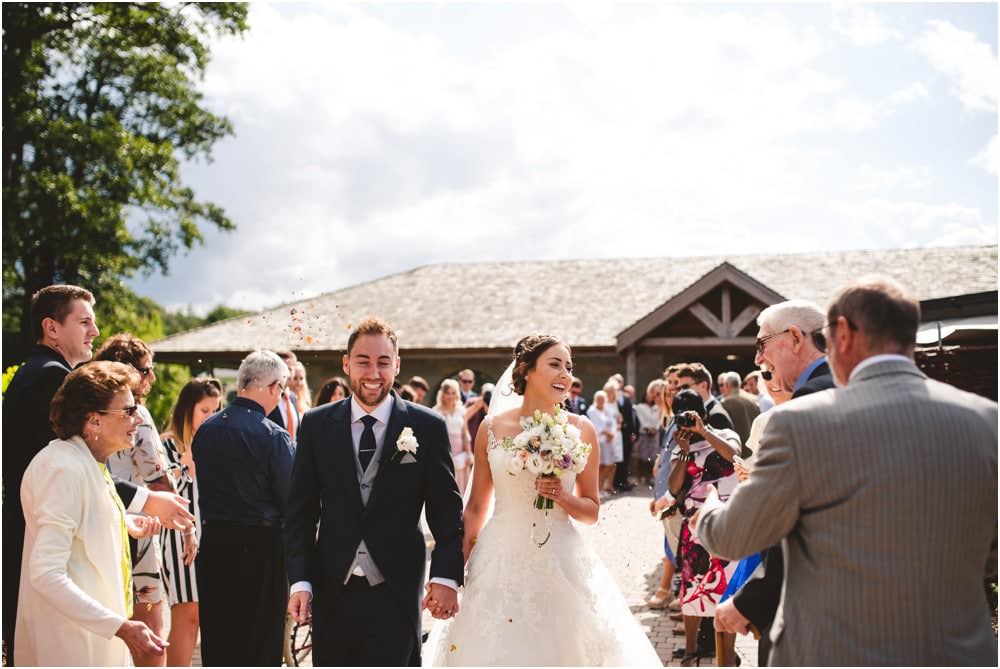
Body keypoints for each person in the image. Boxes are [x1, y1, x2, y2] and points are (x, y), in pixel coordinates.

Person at [697, 277, 998, 666]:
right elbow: (991, 554)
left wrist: (708, 507)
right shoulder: (988, 421)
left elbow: (732, 537)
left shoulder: (797, 422)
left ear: (841, 333)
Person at [423, 335, 661, 665]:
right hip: (499, 559)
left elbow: (591, 511)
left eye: (569, 367)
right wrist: (449, 576)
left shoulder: (581, 429)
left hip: (561, 559)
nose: (566, 374)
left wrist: (562, 496)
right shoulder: (491, 428)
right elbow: (476, 508)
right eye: (555, 364)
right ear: (526, 370)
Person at [2, 285, 192, 662]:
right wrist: (148, 499)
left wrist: (122, 519)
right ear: (51, 328)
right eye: (85, 322)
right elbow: (62, 480)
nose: (96, 331)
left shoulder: (39, 374)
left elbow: (83, 484)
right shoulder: (51, 381)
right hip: (55, 583)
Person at [284, 317, 464, 666]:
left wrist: (445, 576)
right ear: (346, 363)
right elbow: (300, 513)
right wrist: (300, 581)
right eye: (363, 361)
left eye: (383, 362)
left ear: (397, 365)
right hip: (332, 588)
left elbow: (446, 512)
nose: (373, 373)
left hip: (397, 590)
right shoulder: (317, 424)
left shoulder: (427, 426)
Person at [15, 361, 168, 665]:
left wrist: (122, 522)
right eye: (128, 410)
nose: (138, 418)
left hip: (94, 642)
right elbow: (46, 574)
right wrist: (119, 627)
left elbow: (79, 523)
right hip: (71, 647)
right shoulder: (61, 469)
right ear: (94, 421)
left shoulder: (87, 462)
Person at [720, 299, 835, 665]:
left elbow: (804, 519)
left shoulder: (811, 400)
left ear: (796, 337)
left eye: (762, 343)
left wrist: (753, 599)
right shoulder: (845, 385)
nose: (758, 359)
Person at [193, 350, 295, 665]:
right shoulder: (273, 436)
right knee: (260, 642)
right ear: (274, 387)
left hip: (214, 544)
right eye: (282, 389)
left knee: (219, 638)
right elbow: (291, 500)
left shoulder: (206, 430)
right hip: (261, 549)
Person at [95, 333, 179, 666]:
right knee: (152, 633)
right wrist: (186, 527)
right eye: (146, 369)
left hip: (107, 524)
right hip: (141, 530)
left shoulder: (94, 414)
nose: (152, 377)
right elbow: (160, 479)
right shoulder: (137, 416)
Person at [667, 389, 741, 666]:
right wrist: (685, 454)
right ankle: (690, 651)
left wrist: (704, 431)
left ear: (703, 413)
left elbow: (733, 455)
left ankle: (727, 656)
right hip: (694, 526)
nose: (687, 422)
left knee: (727, 587)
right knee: (691, 588)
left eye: (691, 415)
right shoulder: (681, 446)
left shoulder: (724, 434)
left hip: (727, 522)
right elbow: (674, 487)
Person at [159, 377, 224, 666]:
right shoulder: (167, 444)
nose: (211, 416)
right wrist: (186, 464)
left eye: (215, 410)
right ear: (187, 409)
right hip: (179, 537)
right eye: (204, 410)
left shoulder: (216, 442)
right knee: (187, 615)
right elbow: (160, 487)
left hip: (212, 534)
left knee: (204, 616)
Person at [433, 378, 473, 494]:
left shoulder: (462, 410)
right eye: (447, 393)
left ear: (457, 394)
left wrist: (468, 453)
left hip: (460, 450)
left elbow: (465, 433)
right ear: (442, 394)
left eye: (453, 393)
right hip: (443, 448)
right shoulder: (435, 411)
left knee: (461, 483)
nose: (450, 396)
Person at [587, 389, 618, 498]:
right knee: (601, 466)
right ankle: (597, 490)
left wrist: (612, 434)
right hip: (599, 441)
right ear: (595, 399)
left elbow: (613, 423)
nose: (601, 401)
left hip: (609, 441)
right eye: (599, 399)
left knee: (610, 465)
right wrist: (607, 434)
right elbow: (595, 426)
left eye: (603, 399)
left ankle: (604, 487)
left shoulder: (607, 410)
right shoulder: (591, 411)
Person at [718, 371, 760, 451]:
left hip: (740, 448)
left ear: (726, 385)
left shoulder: (726, 402)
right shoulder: (754, 398)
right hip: (756, 446)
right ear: (739, 383)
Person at [610, 374, 638, 491]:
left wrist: (633, 432)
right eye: (615, 380)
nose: (617, 383)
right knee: (613, 459)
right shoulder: (608, 397)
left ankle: (623, 482)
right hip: (613, 433)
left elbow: (631, 417)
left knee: (625, 458)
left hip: (626, 434)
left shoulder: (625, 398)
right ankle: (613, 483)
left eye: (619, 381)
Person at [635, 379, 665, 483]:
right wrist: (647, 428)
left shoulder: (657, 407)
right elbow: (641, 419)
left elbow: (659, 419)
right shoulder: (639, 407)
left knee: (652, 457)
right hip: (644, 434)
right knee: (642, 457)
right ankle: (640, 477)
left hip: (654, 434)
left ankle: (649, 478)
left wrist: (655, 429)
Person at [267, 350, 301, 442]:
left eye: (289, 369)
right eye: (282, 368)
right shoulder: (267, 396)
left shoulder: (293, 397)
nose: (286, 373)